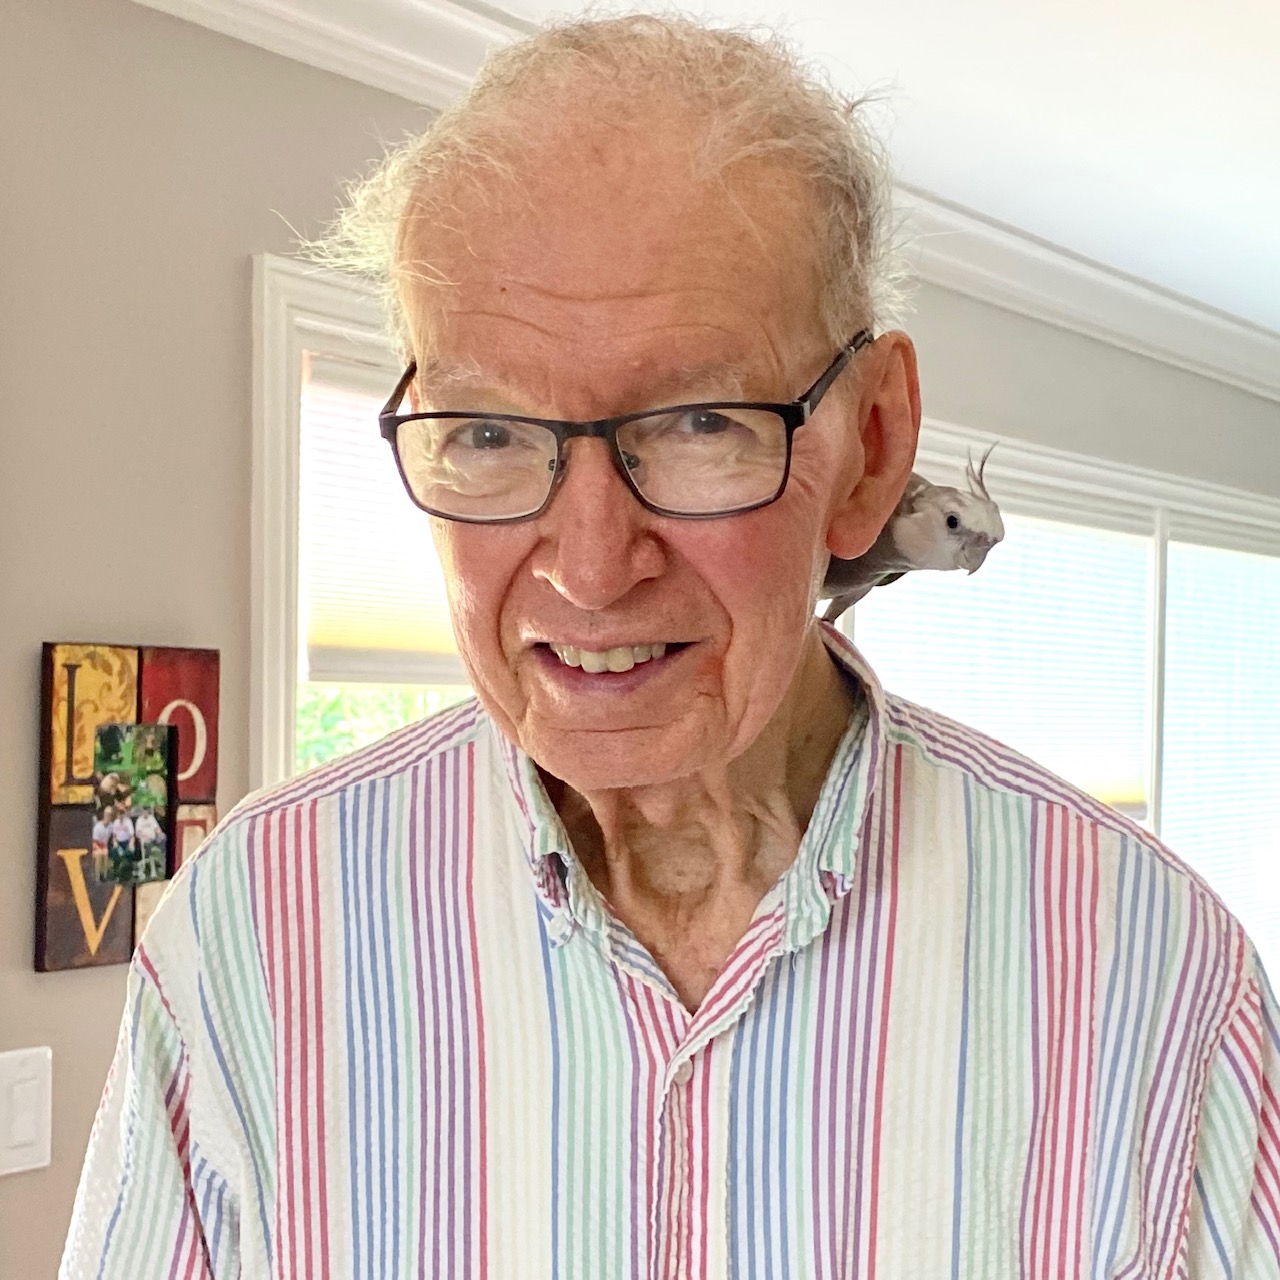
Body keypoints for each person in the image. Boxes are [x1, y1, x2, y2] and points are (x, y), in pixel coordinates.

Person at [62, 15, 1280, 1278]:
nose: (588, 565)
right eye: (486, 431)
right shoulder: (252, 932)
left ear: (868, 449)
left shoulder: (1153, 973)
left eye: (701, 423)